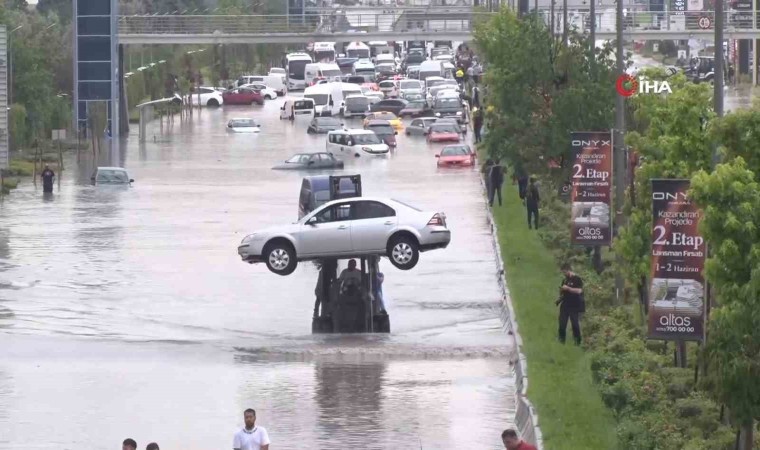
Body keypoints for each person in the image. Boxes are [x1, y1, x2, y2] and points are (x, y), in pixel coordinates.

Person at [556, 262, 584, 345]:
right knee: (562, 324)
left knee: (575, 324)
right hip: (565, 305)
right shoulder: (564, 280)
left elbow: (579, 291)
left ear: (569, 270)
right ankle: (561, 341)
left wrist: (568, 288)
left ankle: (577, 342)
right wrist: (560, 296)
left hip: (574, 305)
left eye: (564, 272)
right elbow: (563, 293)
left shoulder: (577, 279)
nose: (564, 274)